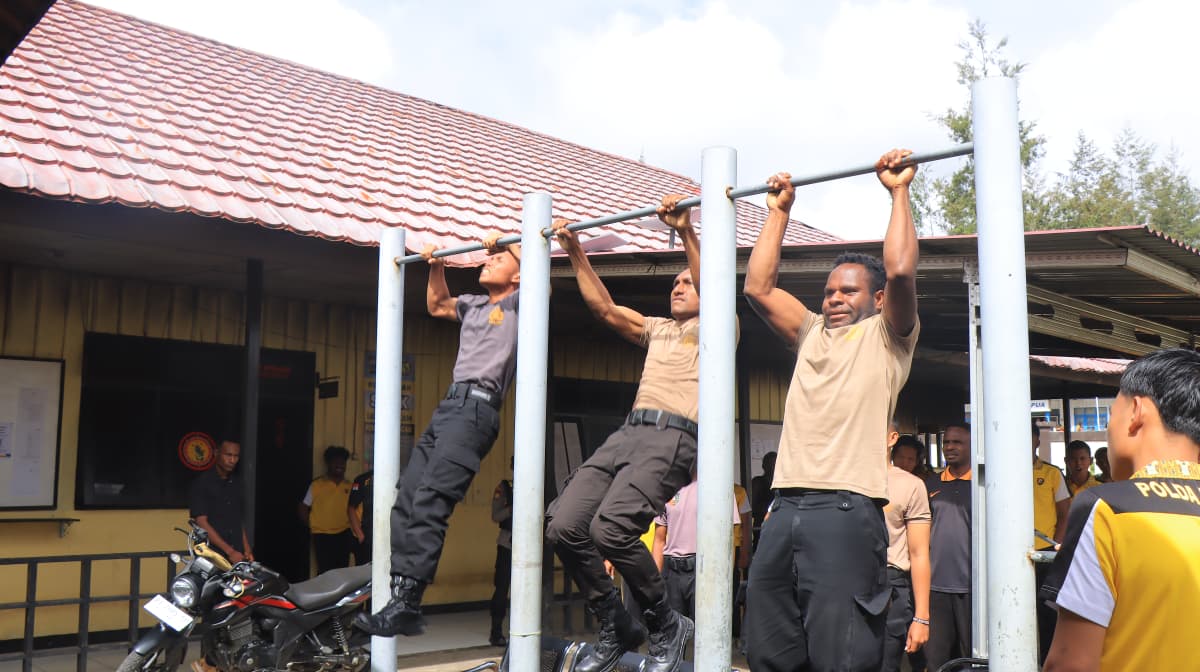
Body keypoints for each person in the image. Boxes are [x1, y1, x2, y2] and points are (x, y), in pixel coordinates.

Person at [741, 149, 920, 672]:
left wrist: (898, 191)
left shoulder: (889, 338)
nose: (834, 299)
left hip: (847, 511)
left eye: (848, 290)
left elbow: (902, 271)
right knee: (771, 650)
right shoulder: (811, 333)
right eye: (828, 291)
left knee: (840, 655)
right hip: (784, 510)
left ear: (878, 300)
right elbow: (757, 288)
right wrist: (778, 211)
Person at [544, 194, 707, 672]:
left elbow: (713, 285)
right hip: (629, 432)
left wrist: (685, 232)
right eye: (673, 283)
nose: (678, 288)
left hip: (673, 436)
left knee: (611, 529)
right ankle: (615, 621)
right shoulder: (658, 328)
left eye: (687, 282)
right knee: (564, 524)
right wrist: (575, 250)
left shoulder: (719, 326)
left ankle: (664, 622)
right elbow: (605, 309)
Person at [356, 232, 521, 637]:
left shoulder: (522, 304)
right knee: (406, 499)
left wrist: (505, 244)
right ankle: (399, 597)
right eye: (490, 258)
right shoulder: (475, 304)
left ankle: (409, 600)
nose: (489, 261)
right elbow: (436, 304)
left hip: (478, 409)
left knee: (431, 499)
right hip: (449, 407)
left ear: (518, 277)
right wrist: (436, 266)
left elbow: (536, 267)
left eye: (499, 261)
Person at [1042, 348, 1200, 671]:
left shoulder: (1107, 511)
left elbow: (1070, 664)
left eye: (1112, 412)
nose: (1109, 430)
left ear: (1136, 411)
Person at [650, 475, 741, 620]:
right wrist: (654, 584)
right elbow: (659, 539)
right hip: (672, 571)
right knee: (674, 634)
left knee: (706, 631)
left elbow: (728, 538)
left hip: (706, 569)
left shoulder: (718, 484)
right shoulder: (668, 485)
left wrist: (726, 580)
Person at [923, 423, 973, 671]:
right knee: (936, 660)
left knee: (971, 658)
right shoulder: (930, 485)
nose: (950, 447)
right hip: (935, 586)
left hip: (973, 588)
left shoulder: (985, 486)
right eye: (946, 443)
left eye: (957, 442)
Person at [882, 431, 931, 672]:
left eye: (912, 459)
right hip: (844, 582)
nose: (906, 463)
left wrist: (921, 617)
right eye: (904, 458)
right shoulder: (836, 477)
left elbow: (919, 552)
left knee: (888, 662)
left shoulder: (913, 485)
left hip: (892, 582)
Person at [1031, 420, 1069, 663]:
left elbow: (1065, 513)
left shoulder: (1052, 473)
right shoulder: (1001, 471)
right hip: (1010, 553)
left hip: (1045, 553)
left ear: (1037, 440)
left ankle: (1046, 662)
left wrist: (1056, 545)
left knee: (1047, 613)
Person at [189, 438, 253, 563]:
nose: (232, 460)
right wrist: (230, 551)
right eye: (228, 455)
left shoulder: (237, 483)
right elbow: (201, 522)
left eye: (236, 456)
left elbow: (238, 521)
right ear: (216, 453)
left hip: (237, 556)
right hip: (212, 556)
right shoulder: (202, 483)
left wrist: (247, 549)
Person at [298, 445, 353, 573]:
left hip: (343, 534)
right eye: (336, 462)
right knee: (324, 571)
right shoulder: (317, 485)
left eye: (343, 462)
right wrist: (312, 524)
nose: (340, 465)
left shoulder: (349, 486)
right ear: (328, 463)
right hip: (322, 535)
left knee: (342, 571)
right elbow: (303, 507)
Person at [489, 460, 514, 647]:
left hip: (530, 546)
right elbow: (495, 516)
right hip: (507, 544)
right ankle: (496, 632)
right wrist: (514, 509)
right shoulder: (505, 488)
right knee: (502, 588)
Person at [347, 469, 374, 566]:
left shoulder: (397, 476)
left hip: (387, 539)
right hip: (366, 540)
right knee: (364, 574)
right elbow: (351, 508)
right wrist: (360, 536)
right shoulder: (363, 480)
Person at [750, 451, 777, 535]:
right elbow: (752, 507)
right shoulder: (758, 482)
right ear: (764, 466)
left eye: (775, 464)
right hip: (762, 525)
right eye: (770, 464)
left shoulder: (782, 485)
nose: (773, 467)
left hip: (779, 525)